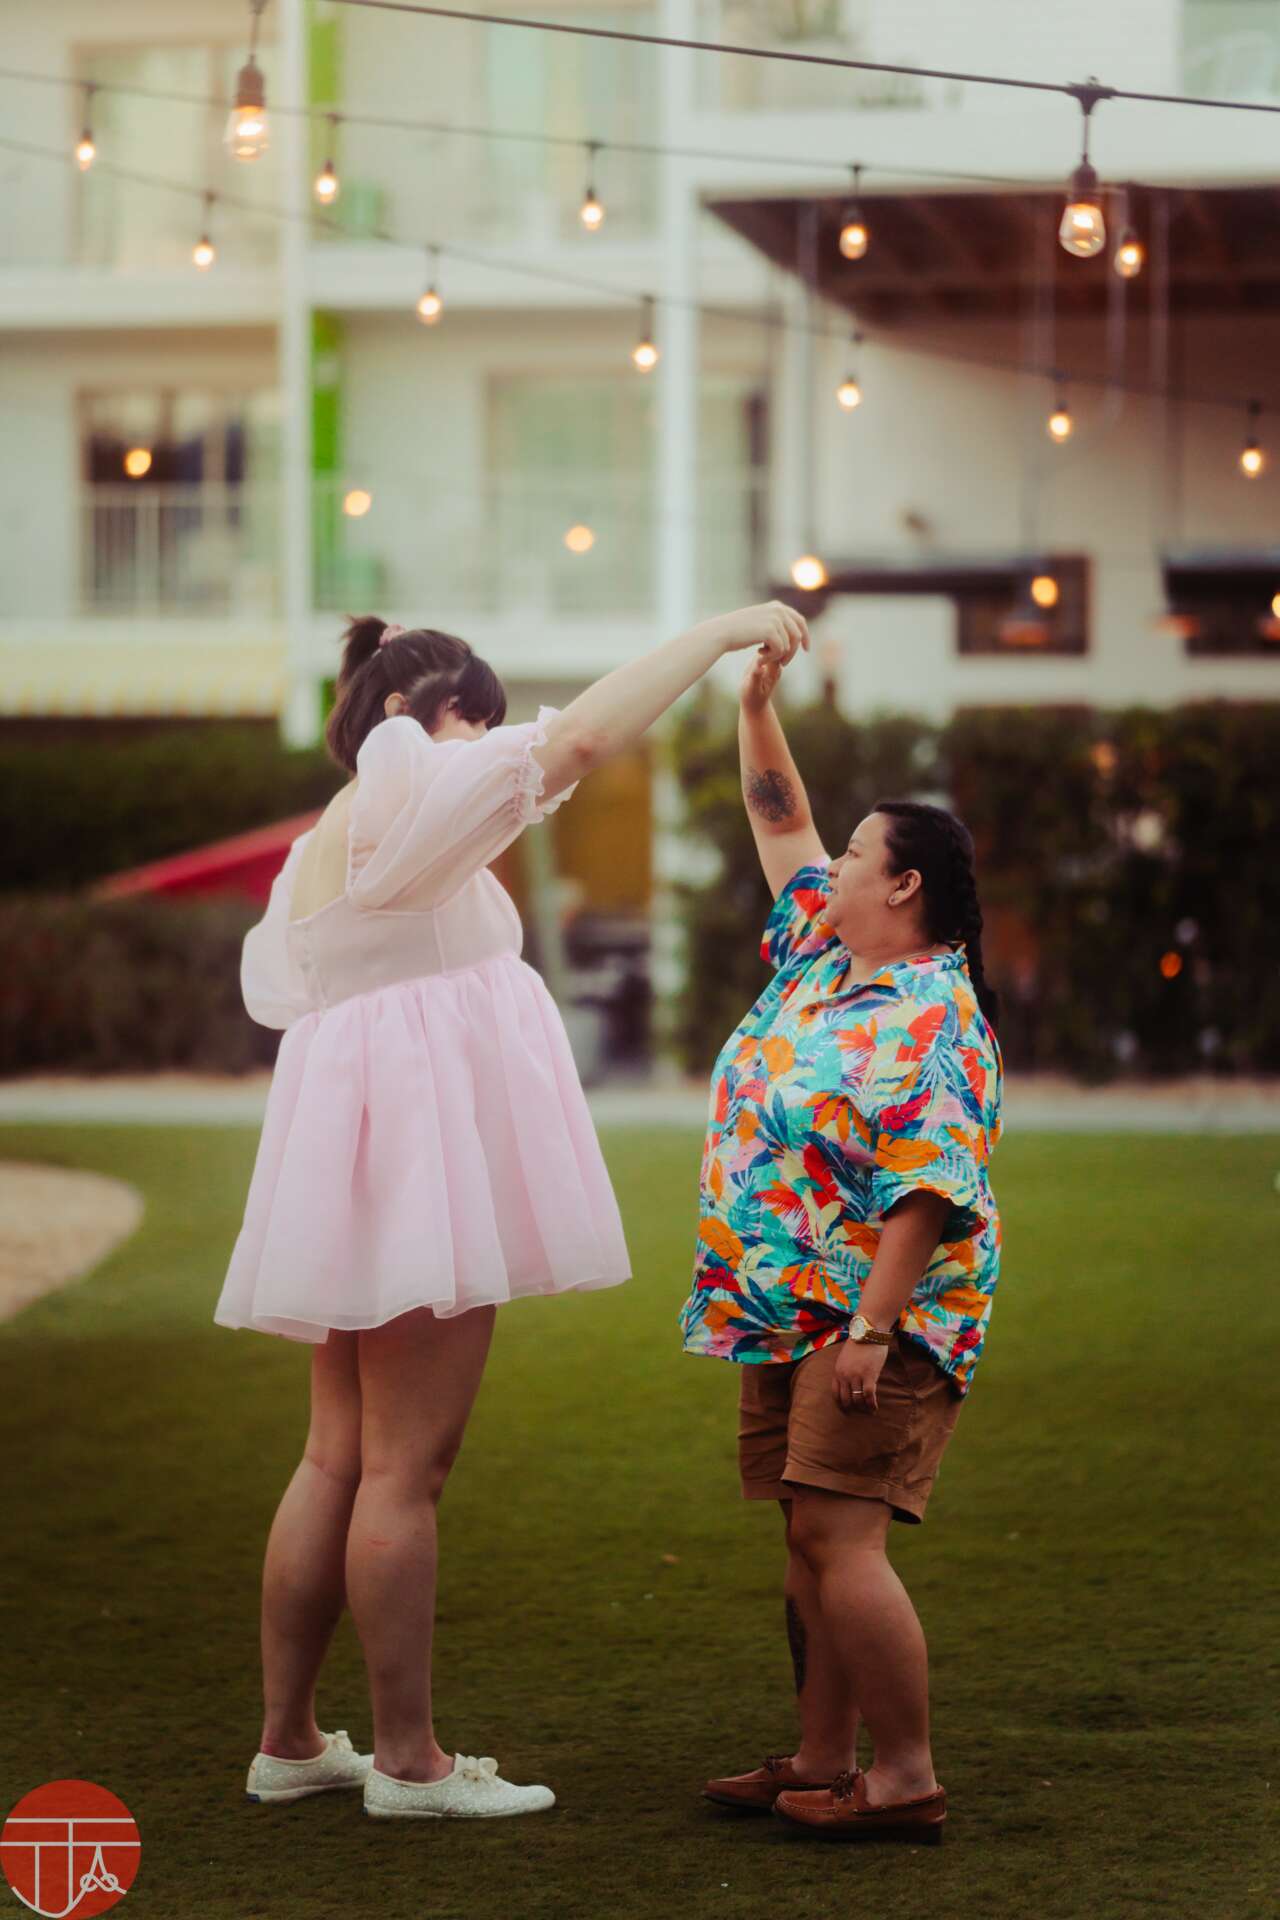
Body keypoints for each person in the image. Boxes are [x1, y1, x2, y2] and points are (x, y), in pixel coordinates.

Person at [214, 600, 809, 1822]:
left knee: (337, 1453)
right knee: (404, 1466)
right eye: (470, 718)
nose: (487, 743)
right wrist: (715, 635)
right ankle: (409, 1762)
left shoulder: (340, 822)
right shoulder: (409, 779)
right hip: (411, 1149)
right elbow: (578, 740)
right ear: (406, 713)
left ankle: (290, 1741)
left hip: (356, 1138)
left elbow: (294, 987)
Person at [680, 640, 1003, 1845]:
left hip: (876, 1314)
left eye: (857, 854)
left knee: (839, 1535)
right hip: (784, 1303)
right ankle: (821, 1758)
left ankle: (904, 1775)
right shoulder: (824, 954)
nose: (832, 865)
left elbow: (927, 1188)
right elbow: (780, 819)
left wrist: (873, 1326)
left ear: (903, 885)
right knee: (805, 1532)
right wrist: (754, 704)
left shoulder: (932, 1014)